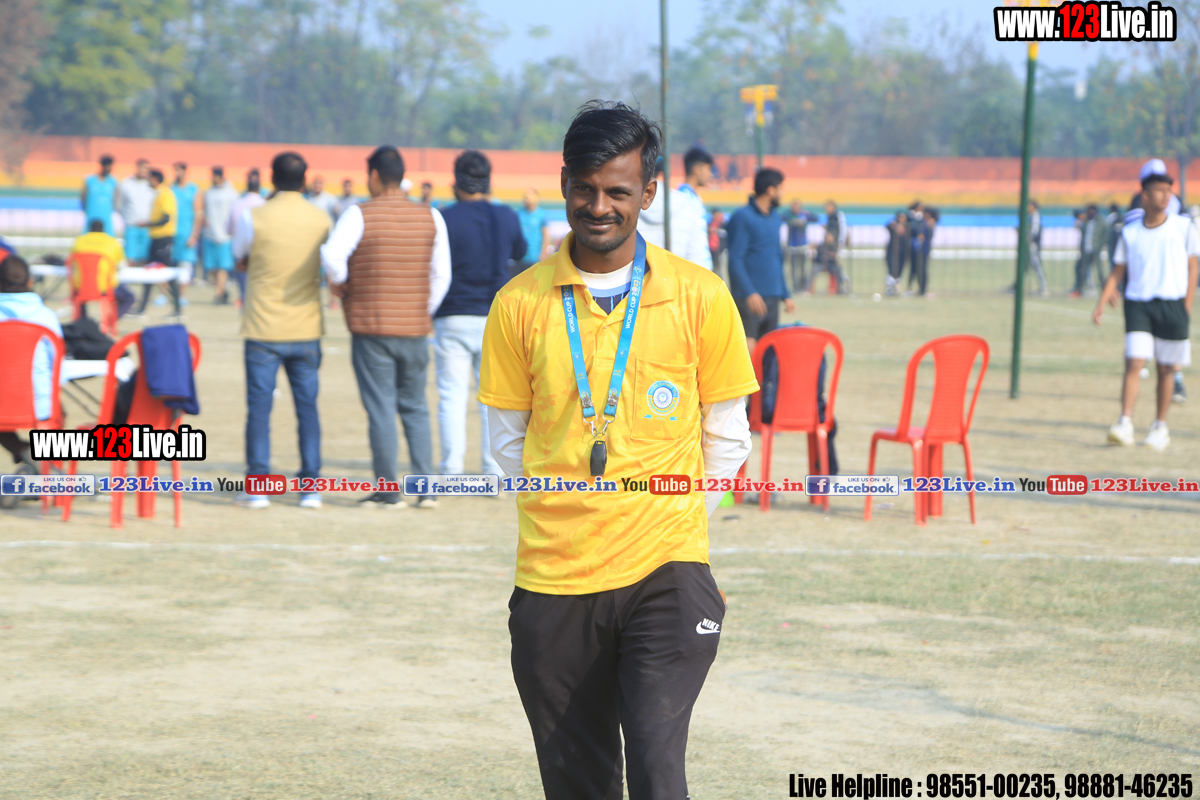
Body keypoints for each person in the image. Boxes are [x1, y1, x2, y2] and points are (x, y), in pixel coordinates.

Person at [478, 100, 758, 800]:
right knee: (578, 783)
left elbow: (727, 438)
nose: (598, 207)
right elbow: (507, 448)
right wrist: (570, 509)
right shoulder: (519, 304)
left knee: (659, 770)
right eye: (584, 188)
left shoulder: (700, 296)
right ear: (564, 183)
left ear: (649, 193)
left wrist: (679, 522)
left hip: (666, 567)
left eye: (618, 191)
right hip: (554, 578)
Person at [320, 145, 450, 509]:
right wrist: (421, 311)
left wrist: (342, 283)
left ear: (374, 176)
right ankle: (426, 489)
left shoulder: (358, 213)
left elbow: (332, 255)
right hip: (415, 328)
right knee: (416, 407)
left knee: (381, 409)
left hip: (371, 327)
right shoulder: (431, 216)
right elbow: (442, 275)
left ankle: (389, 491)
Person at [232, 152, 332, 509]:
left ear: (272, 179)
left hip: (262, 327)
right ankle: (311, 487)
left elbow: (239, 257)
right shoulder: (321, 218)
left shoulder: (253, 215)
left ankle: (258, 487)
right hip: (305, 327)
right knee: (308, 410)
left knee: (259, 410)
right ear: (305, 180)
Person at [1094, 163, 1198, 452]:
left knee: (1166, 369)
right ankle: (1125, 422)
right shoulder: (1131, 232)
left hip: (1173, 304)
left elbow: (1193, 268)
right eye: (1159, 190)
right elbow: (1117, 270)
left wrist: (1187, 305)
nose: (1165, 196)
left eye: (1168, 190)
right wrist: (1101, 302)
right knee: (1134, 362)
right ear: (1145, 196)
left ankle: (1159, 426)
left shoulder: (1183, 227)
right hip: (1138, 304)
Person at [436, 150, 525, 479]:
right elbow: (520, 251)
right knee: (493, 399)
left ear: (456, 182)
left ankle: (451, 469)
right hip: (495, 316)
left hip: (453, 314)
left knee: (451, 396)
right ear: (488, 181)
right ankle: (493, 469)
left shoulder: (444, 217)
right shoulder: (505, 216)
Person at [0, 254, 64, 468]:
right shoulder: (46, 316)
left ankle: (24, 452)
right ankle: (47, 466)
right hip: (39, 404)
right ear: (30, 282)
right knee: (59, 413)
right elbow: (58, 367)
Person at [727, 168, 795, 353]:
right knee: (748, 348)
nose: (783, 193)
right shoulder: (742, 217)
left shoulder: (775, 217)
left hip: (772, 294)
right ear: (771, 190)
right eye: (781, 188)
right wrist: (749, 293)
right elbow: (735, 259)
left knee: (768, 349)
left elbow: (777, 257)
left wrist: (785, 294)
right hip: (750, 297)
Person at [636, 154, 713, 269]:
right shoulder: (687, 202)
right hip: (676, 275)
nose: (711, 174)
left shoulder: (627, 202)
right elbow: (698, 256)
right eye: (708, 169)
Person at [131, 168, 178, 314]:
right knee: (149, 273)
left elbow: (166, 219)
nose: (147, 181)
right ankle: (142, 308)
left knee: (169, 274)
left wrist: (147, 224)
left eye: (149, 178)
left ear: (155, 179)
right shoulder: (159, 193)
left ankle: (177, 309)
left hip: (163, 239)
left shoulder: (164, 193)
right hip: (156, 238)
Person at [197, 166, 240, 304]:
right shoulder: (209, 192)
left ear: (220, 176)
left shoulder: (231, 193)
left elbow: (235, 214)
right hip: (210, 234)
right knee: (211, 268)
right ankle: (222, 290)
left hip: (225, 235)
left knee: (222, 266)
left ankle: (218, 294)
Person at [228, 168, 267, 305]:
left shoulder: (238, 204)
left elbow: (230, 230)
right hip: (261, 253)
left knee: (245, 292)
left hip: (242, 254)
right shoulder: (265, 204)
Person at [68, 220, 125, 314]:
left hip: (81, 286)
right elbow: (120, 263)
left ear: (89, 229)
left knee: (80, 297)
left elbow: (72, 260)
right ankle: (110, 320)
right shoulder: (112, 242)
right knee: (129, 298)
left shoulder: (79, 241)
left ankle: (82, 320)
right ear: (103, 229)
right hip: (105, 287)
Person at [116, 159, 154, 265]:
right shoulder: (126, 184)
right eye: (144, 168)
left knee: (145, 258)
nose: (145, 171)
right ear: (138, 167)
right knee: (130, 258)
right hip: (132, 225)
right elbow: (119, 204)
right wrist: (128, 218)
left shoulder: (151, 184)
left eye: (147, 169)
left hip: (147, 226)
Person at [171, 162, 201, 284]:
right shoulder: (171, 189)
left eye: (179, 170)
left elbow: (198, 214)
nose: (177, 173)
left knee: (185, 267)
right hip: (173, 234)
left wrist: (194, 235)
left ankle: (182, 293)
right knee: (172, 267)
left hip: (187, 234)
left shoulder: (193, 189)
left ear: (185, 171)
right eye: (175, 170)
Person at [783, 199, 817, 293]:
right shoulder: (789, 215)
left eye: (797, 205)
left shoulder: (804, 215)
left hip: (802, 245)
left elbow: (816, 218)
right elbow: (781, 217)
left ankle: (802, 287)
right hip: (792, 246)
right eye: (793, 206)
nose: (795, 208)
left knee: (803, 268)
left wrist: (808, 213)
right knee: (794, 268)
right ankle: (795, 287)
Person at [515, 188, 549, 279]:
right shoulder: (519, 213)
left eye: (529, 196)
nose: (526, 199)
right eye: (525, 197)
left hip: (534, 257)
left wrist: (544, 253)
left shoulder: (541, 214)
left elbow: (545, 234)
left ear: (536, 198)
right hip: (520, 257)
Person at [1071, 204, 1103, 297]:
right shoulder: (1086, 222)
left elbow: (1103, 235)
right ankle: (1081, 288)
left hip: (1095, 249)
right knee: (1083, 269)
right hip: (1086, 249)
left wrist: (1100, 245)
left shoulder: (1100, 221)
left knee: (1098, 270)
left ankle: (1101, 288)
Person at [81, 155, 117, 235]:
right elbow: (83, 198)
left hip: (106, 216)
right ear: (103, 166)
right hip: (92, 215)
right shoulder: (90, 180)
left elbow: (115, 199)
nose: (111, 168)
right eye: (109, 166)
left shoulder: (112, 181)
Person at [1026, 199, 1049, 296]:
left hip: (1034, 244)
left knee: (1036, 265)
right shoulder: (1031, 216)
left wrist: (1029, 238)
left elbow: (1034, 232)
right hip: (1032, 243)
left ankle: (1044, 288)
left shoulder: (1035, 216)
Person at [885, 212, 908, 295]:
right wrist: (895, 226)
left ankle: (896, 288)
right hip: (892, 252)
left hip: (902, 253)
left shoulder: (908, 227)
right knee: (891, 271)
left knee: (899, 272)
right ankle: (889, 289)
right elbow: (887, 226)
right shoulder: (893, 226)